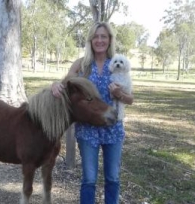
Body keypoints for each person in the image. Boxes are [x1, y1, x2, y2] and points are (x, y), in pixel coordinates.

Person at [52, 22, 134, 204]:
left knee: (112, 178)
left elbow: (130, 99)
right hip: (87, 131)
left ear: (110, 40)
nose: (99, 40)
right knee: (89, 179)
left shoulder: (116, 63)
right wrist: (55, 85)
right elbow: (65, 85)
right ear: (90, 40)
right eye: (96, 37)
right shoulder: (81, 65)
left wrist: (119, 94)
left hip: (113, 130)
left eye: (104, 36)